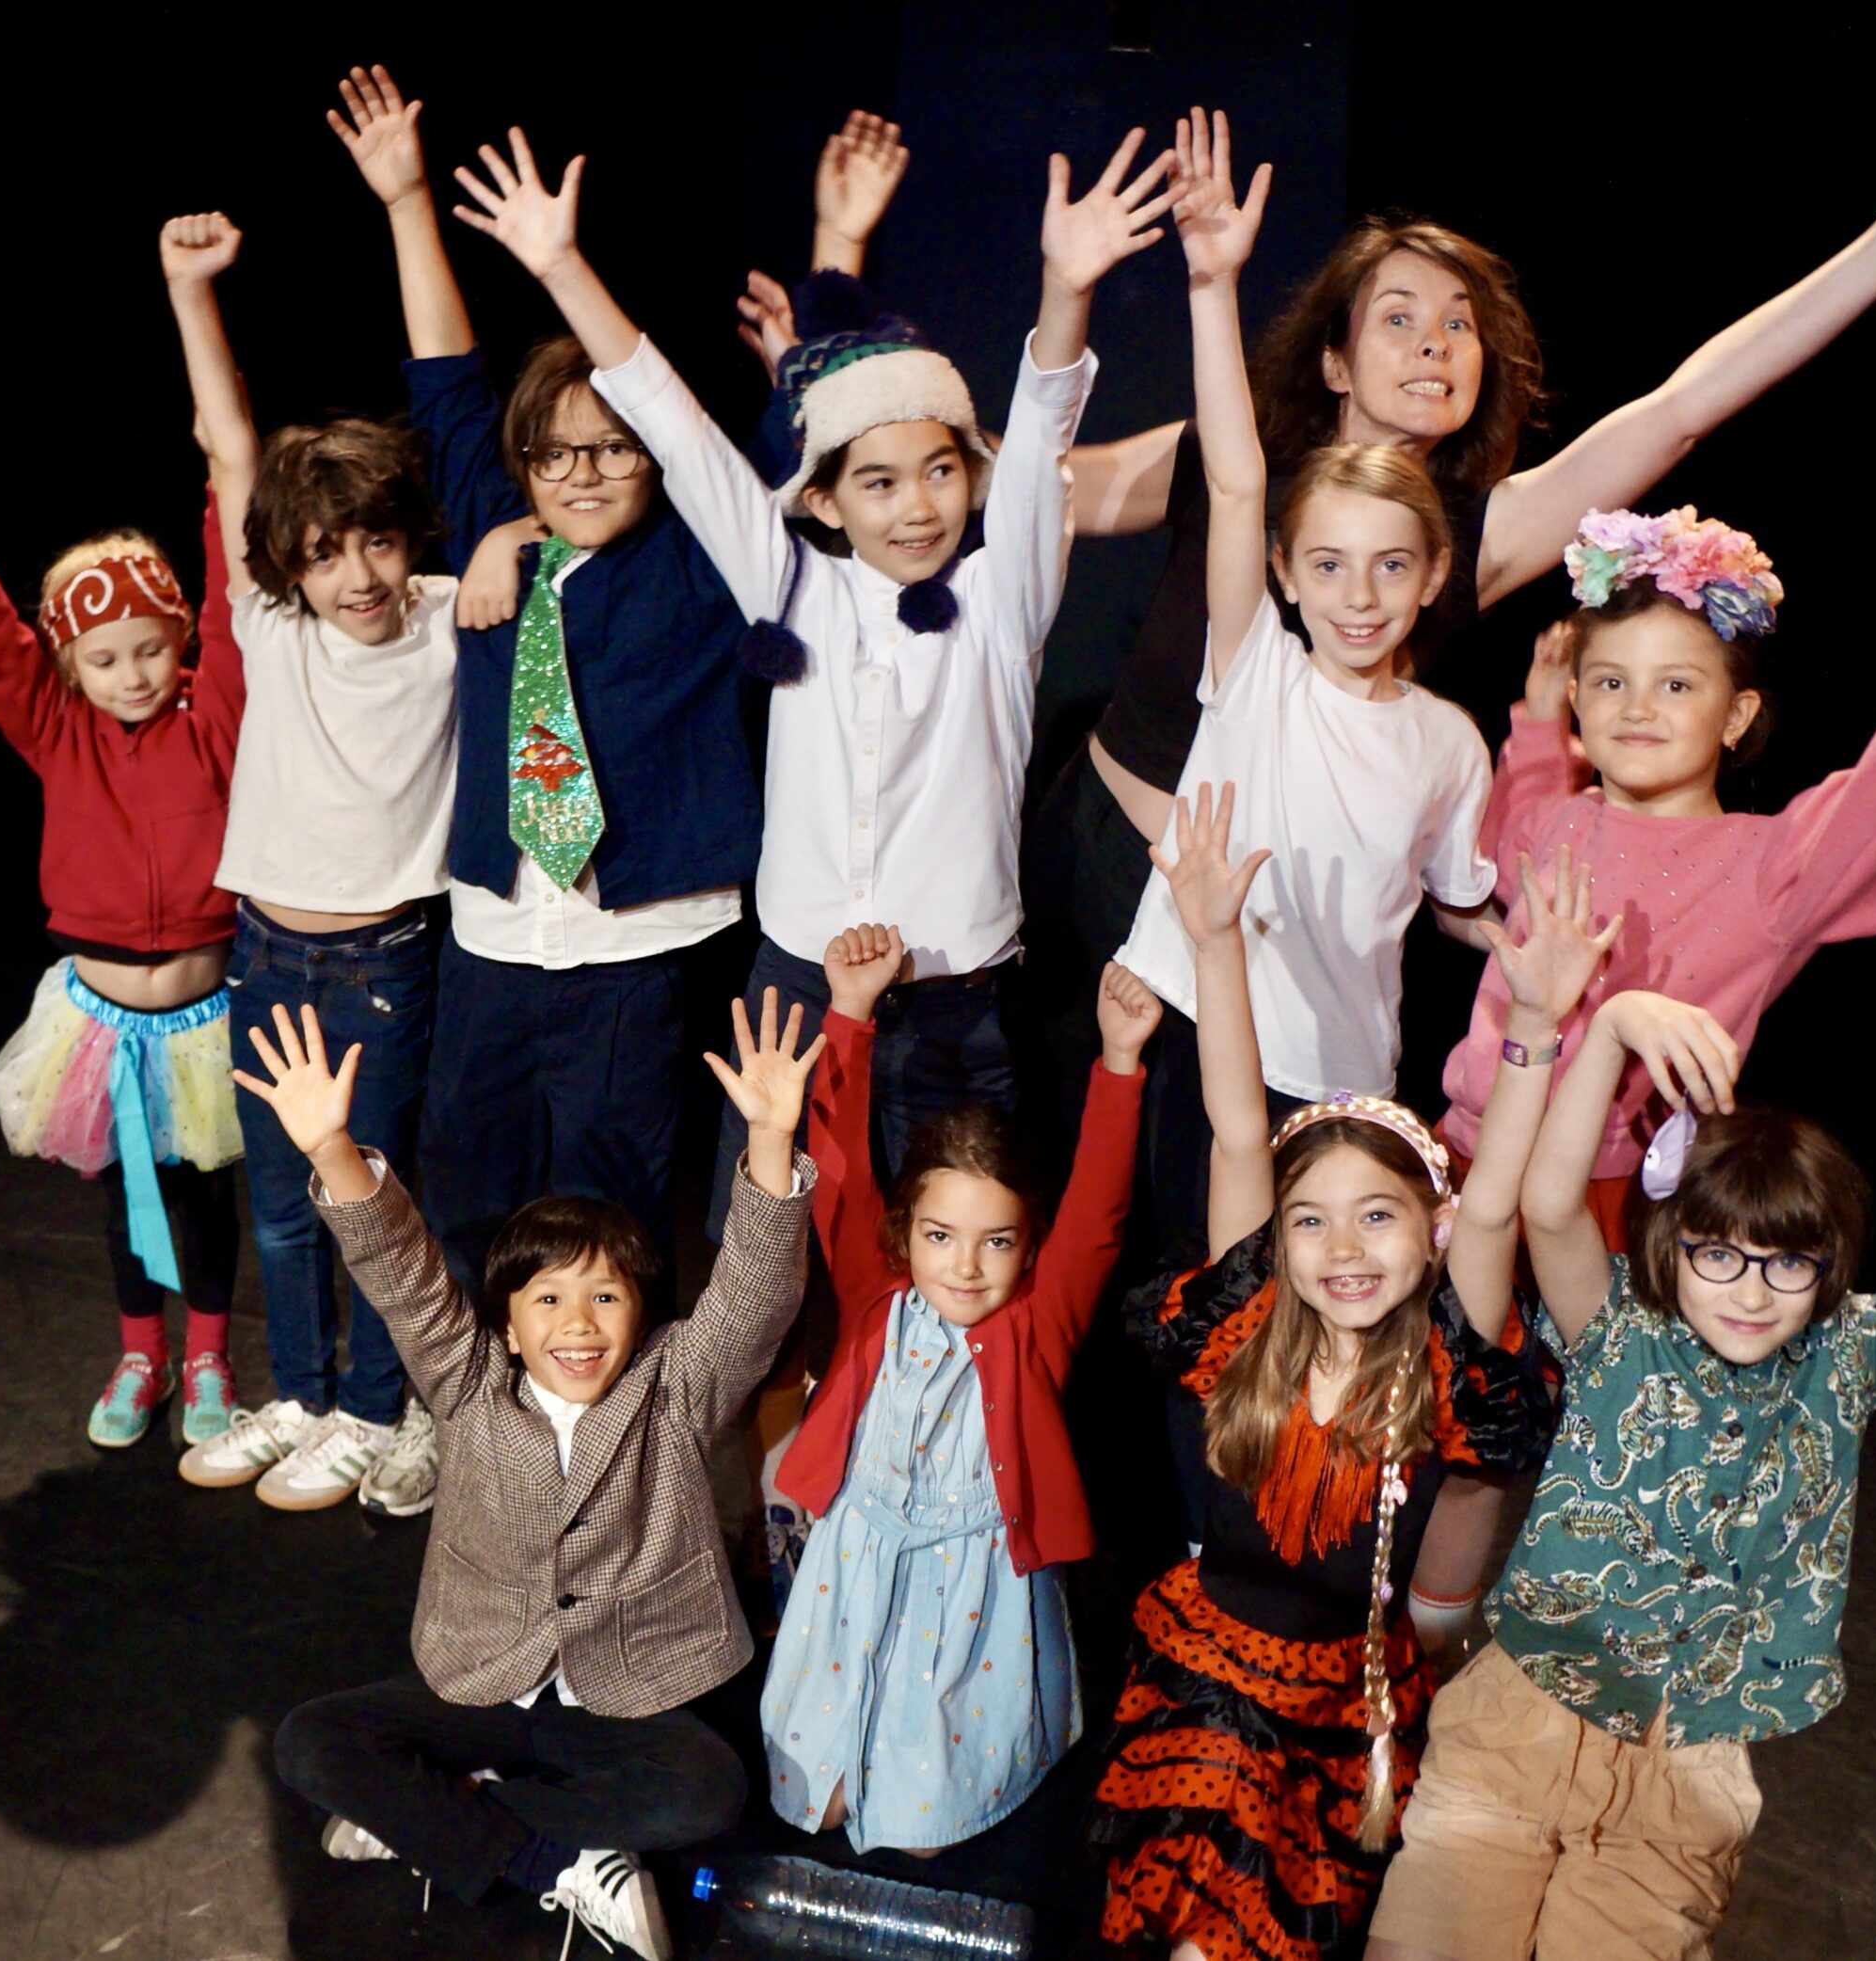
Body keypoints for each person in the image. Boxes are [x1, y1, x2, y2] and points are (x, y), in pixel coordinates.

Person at [1032, 113, 1876, 1069]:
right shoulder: (1231, 464)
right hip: (1107, 855)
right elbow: (1031, 486)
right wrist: (1062, 298)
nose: (1434, 343)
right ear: (1333, 360)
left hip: (1286, 927)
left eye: (1458, 325)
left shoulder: (1479, 535)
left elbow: (1679, 410)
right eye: (1398, 318)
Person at [440, 117, 1174, 1218]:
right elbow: (673, 427)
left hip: (952, 1009)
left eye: (939, 471)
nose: (917, 503)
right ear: (822, 500)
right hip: (794, 995)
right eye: (878, 481)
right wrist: (558, 265)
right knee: (766, 1267)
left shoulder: (1000, 600)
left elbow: (1039, 439)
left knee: (950, 1269)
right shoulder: (791, 585)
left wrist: (1065, 290)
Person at [1365, 988, 1876, 1961]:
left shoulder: (1847, 1357)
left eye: (1787, 1262)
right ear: (1671, 1246)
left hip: (1684, 1773)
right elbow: (1549, 1201)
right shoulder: (1619, 1329)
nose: (1752, 1290)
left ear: (1827, 1265)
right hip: (1523, 1719)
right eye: (1718, 1254)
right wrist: (1614, 1026)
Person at [1090, 788, 1598, 1961]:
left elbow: (1497, 1204)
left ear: (1428, 1229)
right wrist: (1215, 941)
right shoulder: (1246, 1327)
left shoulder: (1436, 1364)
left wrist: (1532, 1025)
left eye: (1377, 1214)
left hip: (1332, 1709)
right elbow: (1235, 1125)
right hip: (1205, 1684)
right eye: (1310, 1219)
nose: (1343, 1246)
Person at [1441, 439, 1876, 1238]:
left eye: (1676, 685)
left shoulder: (1770, 867)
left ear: (1736, 716)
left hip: (1606, 1204)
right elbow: (1506, 841)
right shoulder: (1561, 820)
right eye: (1612, 682)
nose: (1637, 708)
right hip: (1463, 1161)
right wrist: (1539, 725)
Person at [325, 63, 770, 1317]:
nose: (580, 472)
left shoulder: (699, 561)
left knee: (611, 1224)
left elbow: (711, 449)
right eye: (553, 452)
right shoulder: (495, 528)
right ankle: (482, 1417)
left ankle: (613, 1428)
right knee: (471, 1203)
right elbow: (446, 379)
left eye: (610, 447)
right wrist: (406, 199)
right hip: (495, 938)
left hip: (635, 951)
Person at [251, 990, 821, 1960]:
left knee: (707, 1790)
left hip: (620, 1698)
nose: (579, 1322)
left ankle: (439, 1820)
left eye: (606, 1296)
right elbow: (400, 1269)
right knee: (310, 1742)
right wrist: (332, 1150)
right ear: (509, 1327)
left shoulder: (676, 1387)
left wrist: (770, 1138)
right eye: (548, 1298)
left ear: (642, 1315)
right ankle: (561, 1857)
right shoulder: (468, 1381)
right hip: (484, 1686)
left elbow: (755, 1293)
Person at [1115, 110, 1498, 1255]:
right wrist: (1210, 282)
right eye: (1327, 565)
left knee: (1321, 1304)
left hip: (1345, 1076)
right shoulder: (1255, 670)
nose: (1359, 595)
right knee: (1195, 1296)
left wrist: (1538, 949)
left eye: (1391, 566)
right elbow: (1236, 480)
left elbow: (1455, 898)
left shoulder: (1449, 742)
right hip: (1204, 1029)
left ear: (1435, 575)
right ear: (1283, 572)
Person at [0, 412, 246, 1450]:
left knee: (207, 1198)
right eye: (105, 658)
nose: (133, 673)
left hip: (206, 1021)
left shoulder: (214, 720)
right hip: (102, 1024)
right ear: (71, 665)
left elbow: (232, 600)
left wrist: (225, 478)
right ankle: (142, 1353)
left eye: (151, 649)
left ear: (182, 641)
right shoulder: (56, 728)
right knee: (127, 1199)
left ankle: (208, 1355)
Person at [159, 212, 460, 1512]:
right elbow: (231, 445)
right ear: (286, 560)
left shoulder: (451, 617)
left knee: (368, 1197)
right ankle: (301, 1393)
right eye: (326, 551)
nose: (358, 574)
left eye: (377, 540)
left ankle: (377, 1410)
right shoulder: (273, 623)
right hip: (267, 953)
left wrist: (506, 544)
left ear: (410, 536)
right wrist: (191, 291)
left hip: (382, 961)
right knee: (280, 1199)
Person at [762, 926, 1156, 1851]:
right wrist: (848, 1013)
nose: (967, 1267)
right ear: (906, 1232)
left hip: (970, 1586)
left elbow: (1098, 1213)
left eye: (997, 1241)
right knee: (816, 1802)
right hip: (858, 1561)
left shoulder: (1036, 1325)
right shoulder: (876, 1295)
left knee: (924, 1829)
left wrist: (1119, 1062)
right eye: (940, 1236)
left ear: (1028, 1244)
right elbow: (838, 1175)